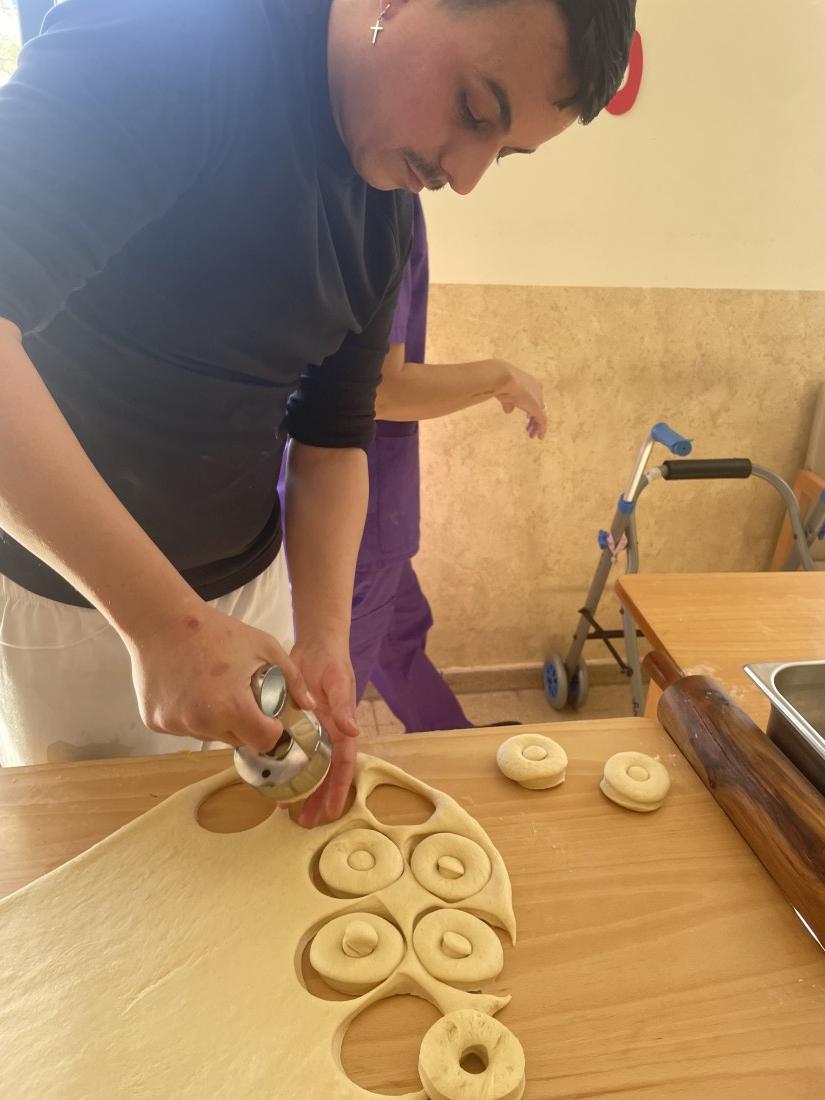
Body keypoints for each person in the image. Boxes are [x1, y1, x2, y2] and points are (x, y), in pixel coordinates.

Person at [0, 0, 636, 828]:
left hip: (246, 593)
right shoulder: (168, 42)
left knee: (241, 865)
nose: (467, 176)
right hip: (76, 602)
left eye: (504, 154)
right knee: (93, 864)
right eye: (474, 109)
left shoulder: (385, 219)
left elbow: (332, 443)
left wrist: (324, 639)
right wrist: (161, 622)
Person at [349, 195, 547, 731]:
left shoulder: (382, 196)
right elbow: (380, 390)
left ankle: (452, 744)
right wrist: (500, 376)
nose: (470, 180)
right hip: (353, 507)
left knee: (399, 632)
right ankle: (315, 777)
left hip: (371, 503)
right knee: (332, 683)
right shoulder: (380, 200)